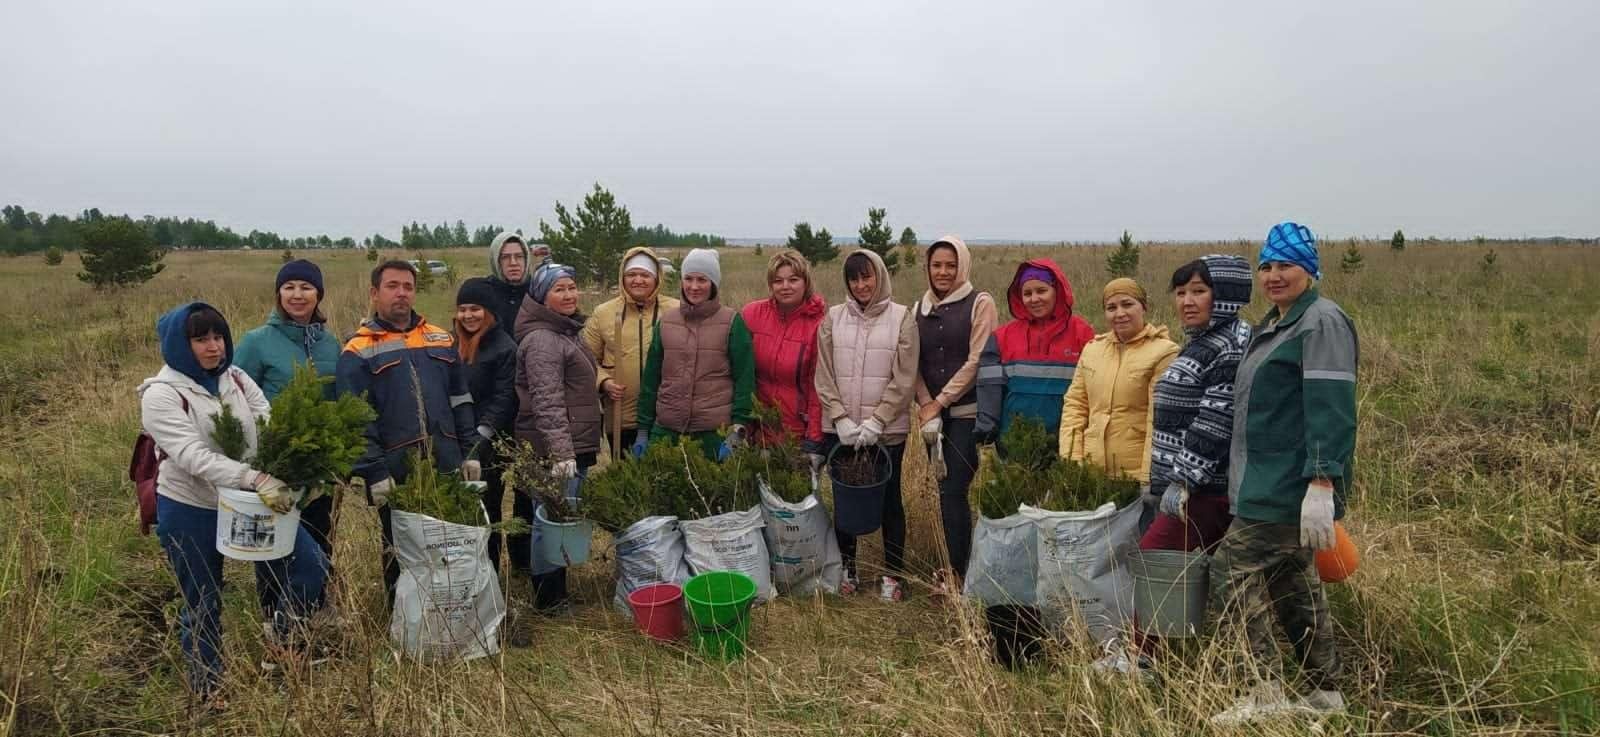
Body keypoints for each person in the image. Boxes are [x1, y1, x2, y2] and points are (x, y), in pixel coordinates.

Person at [138, 302, 326, 703]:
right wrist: (254, 477)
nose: (213, 348)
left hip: (250, 501)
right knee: (203, 600)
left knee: (310, 566)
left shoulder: (236, 379)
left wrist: (292, 468)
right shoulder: (160, 395)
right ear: (178, 345)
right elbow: (191, 456)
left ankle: (281, 637)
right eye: (201, 339)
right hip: (191, 506)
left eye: (218, 337)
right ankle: (208, 688)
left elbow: (266, 420)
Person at [1210, 223, 1357, 724]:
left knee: (1229, 569)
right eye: (1267, 266)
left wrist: (1322, 479)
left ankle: (1263, 687)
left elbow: (1331, 406)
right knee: (1291, 582)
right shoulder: (1276, 322)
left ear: (1310, 269)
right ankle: (1325, 691)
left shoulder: (1321, 323)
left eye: (1286, 265)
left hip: (1288, 485)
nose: (1274, 275)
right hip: (1263, 480)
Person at [1094, 255, 1254, 675]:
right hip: (1186, 484)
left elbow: (1215, 420)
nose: (1187, 301)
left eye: (1199, 291)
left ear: (1226, 295)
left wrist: (1184, 479)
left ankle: (1141, 657)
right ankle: (1203, 659)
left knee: (1155, 559)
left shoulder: (1231, 345)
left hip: (1205, 488)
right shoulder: (1204, 340)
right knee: (1199, 573)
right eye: (1181, 292)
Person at [337, 260, 481, 603]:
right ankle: (403, 617)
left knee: (450, 539)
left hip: (445, 460)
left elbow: (460, 399)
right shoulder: (357, 350)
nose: (401, 293)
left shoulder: (440, 338)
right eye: (392, 286)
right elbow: (356, 418)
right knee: (399, 545)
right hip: (395, 468)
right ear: (374, 293)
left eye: (408, 286)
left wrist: (470, 451)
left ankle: (449, 610)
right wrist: (373, 470)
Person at [234, 259, 342, 622]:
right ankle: (274, 616)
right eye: (289, 287)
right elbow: (236, 403)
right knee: (273, 545)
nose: (297, 295)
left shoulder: (329, 345)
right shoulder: (256, 342)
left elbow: (339, 403)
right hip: (273, 466)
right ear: (279, 293)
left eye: (306, 288)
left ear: (318, 294)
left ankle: (314, 609)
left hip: (319, 468)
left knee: (318, 536)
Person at [814, 250, 918, 600]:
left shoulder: (903, 318)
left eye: (867, 277)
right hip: (841, 432)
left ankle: (893, 577)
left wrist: (878, 421)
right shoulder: (832, 319)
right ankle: (848, 570)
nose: (861, 285)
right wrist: (840, 418)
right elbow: (824, 374)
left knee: (890, 502)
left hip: (886, 432)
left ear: (880, 276)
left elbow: (904, 379)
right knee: (845, 500)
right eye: (854, 279)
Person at [513, 262, 602, 617]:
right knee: (547, 521)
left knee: (558, 518)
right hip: (555, 450)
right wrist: (562, 453)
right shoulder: (542, 340)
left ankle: (556, 588)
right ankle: (548, 598)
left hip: (570, 444)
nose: (568, 295)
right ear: (541, 296)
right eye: (559, 289)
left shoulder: (564, 332)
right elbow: (546, 400)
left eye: (571, 287)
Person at [913, 236, 998, 597]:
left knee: (953, 491)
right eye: (937, 265)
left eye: (951, 265)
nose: (944, 272)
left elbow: (977, 360)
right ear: (928, 268)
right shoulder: (919, 307)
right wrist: (924, 404)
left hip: (965, 413)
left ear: (962, 265)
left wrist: (940, 402)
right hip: (932, 416)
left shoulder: (980, 302)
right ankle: (954, 565)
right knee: (942, 491)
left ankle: (958, 575)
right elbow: (911, 362)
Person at [635, 248, 756, 460]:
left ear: (714, 284)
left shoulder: (732, 323)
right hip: (666, 431)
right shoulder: (666, 322)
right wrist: (643, 431)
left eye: (702, 279)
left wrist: (737, 431)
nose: (694, 286)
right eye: (688, 279)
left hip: (714, 435)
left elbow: (745, 380)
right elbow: (651, 380)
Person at [1057, 278, 1179, 483]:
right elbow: (1075, 407)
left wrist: (1149, 477)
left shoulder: (1164, 352)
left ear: (1144, 307)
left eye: (1127, 304)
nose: (1119, 313)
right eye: (1111, 307)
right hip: (1091, 472)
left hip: (1133, 476)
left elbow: (1157, 420)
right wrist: (1072, 463)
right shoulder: (1092, 350)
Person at [975, 258, 1095, 452]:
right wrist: (986, 429)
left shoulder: (1082, 333)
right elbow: (990, 390)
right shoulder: (1001, 337)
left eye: (1041, 291)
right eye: (1027, 293)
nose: (1034, 299)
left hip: (1067, 445)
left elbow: (1093, 392)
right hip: (1014, 446)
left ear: (1057, 290)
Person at [580, 246, 680, 456]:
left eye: (645, 275)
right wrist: (604, 382)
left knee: (663, 474)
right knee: (627, 478)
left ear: (657, 278)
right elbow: (585, 359)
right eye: (631, 274)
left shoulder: (676, 311)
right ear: (622, 277)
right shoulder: (604, 313)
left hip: (665, 416)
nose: (638, 280)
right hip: (620, 416)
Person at [452, 277, 522, 574]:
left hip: (490, 445)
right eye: (463, 309)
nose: (468, 315)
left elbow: (506, 398)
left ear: (489, 312)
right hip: (454, 440)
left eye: (476, 309)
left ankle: (490, 572)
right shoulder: (451, 343)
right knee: (459, 511)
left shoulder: (504, 347)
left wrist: (480, 437)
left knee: (488, 511)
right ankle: (463, 572)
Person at [740, 250, 826, 454]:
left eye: (793, 279)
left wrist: (814, 439)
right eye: (778, 281)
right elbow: (740, 373)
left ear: (805, 282)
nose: (785, 286)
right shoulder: (751, 315)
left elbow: (818, 389)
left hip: (797, 436)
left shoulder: (820, 324)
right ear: (771, 285)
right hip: (757, 432)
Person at [484, 232, 532, 339]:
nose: (513, 263)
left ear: (526, 259)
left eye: (519, 256)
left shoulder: (538, 292)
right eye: (505, 257)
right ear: (495, 260)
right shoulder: (484, 292)